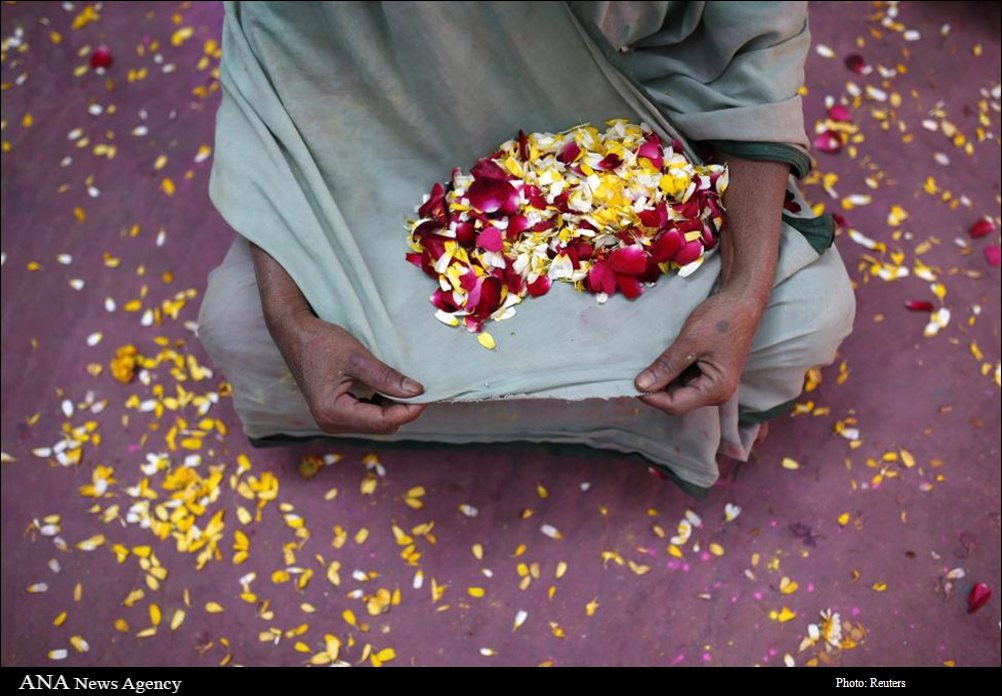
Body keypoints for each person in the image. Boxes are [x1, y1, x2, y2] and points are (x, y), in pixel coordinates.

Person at [197, 1, 855, 497]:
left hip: (642, 114)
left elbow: (755, 59)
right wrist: (289, 316)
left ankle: (548, 410)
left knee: (807, 314)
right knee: (239, 324)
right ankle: (592, 411)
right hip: (382, 142)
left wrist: (742, 289)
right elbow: (279, 70)